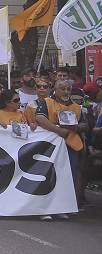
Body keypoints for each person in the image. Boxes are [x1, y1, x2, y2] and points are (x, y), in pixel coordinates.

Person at [35, 79, 88, 219]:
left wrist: (74, 128)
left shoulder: (76, 107)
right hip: (50, 146)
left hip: (70, 146)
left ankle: (62, 207)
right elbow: (40, 118)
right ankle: (45, 208)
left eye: (68, 90)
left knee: (66, 177)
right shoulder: (47, 102)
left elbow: (85, 125)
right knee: (49, 175)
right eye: (62, 89)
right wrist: (58, 131)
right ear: (56, 90)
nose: (66, 92)